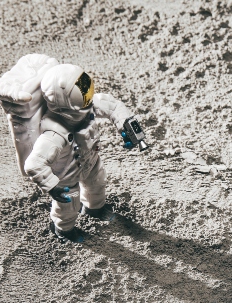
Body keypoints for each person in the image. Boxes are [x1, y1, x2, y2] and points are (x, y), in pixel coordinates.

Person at [22, 63, 142, 242]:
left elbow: (113, 106)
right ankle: (63, 229)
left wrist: (126, 124)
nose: (87, 93)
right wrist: (52, 186)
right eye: (82, 92)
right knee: (69, 204)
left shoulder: (86, 107)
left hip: (91, 161)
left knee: (97, 184)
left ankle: (94, 209)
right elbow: (34, 164)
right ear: (66, 101)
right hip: (66, 177)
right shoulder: (54, 135)